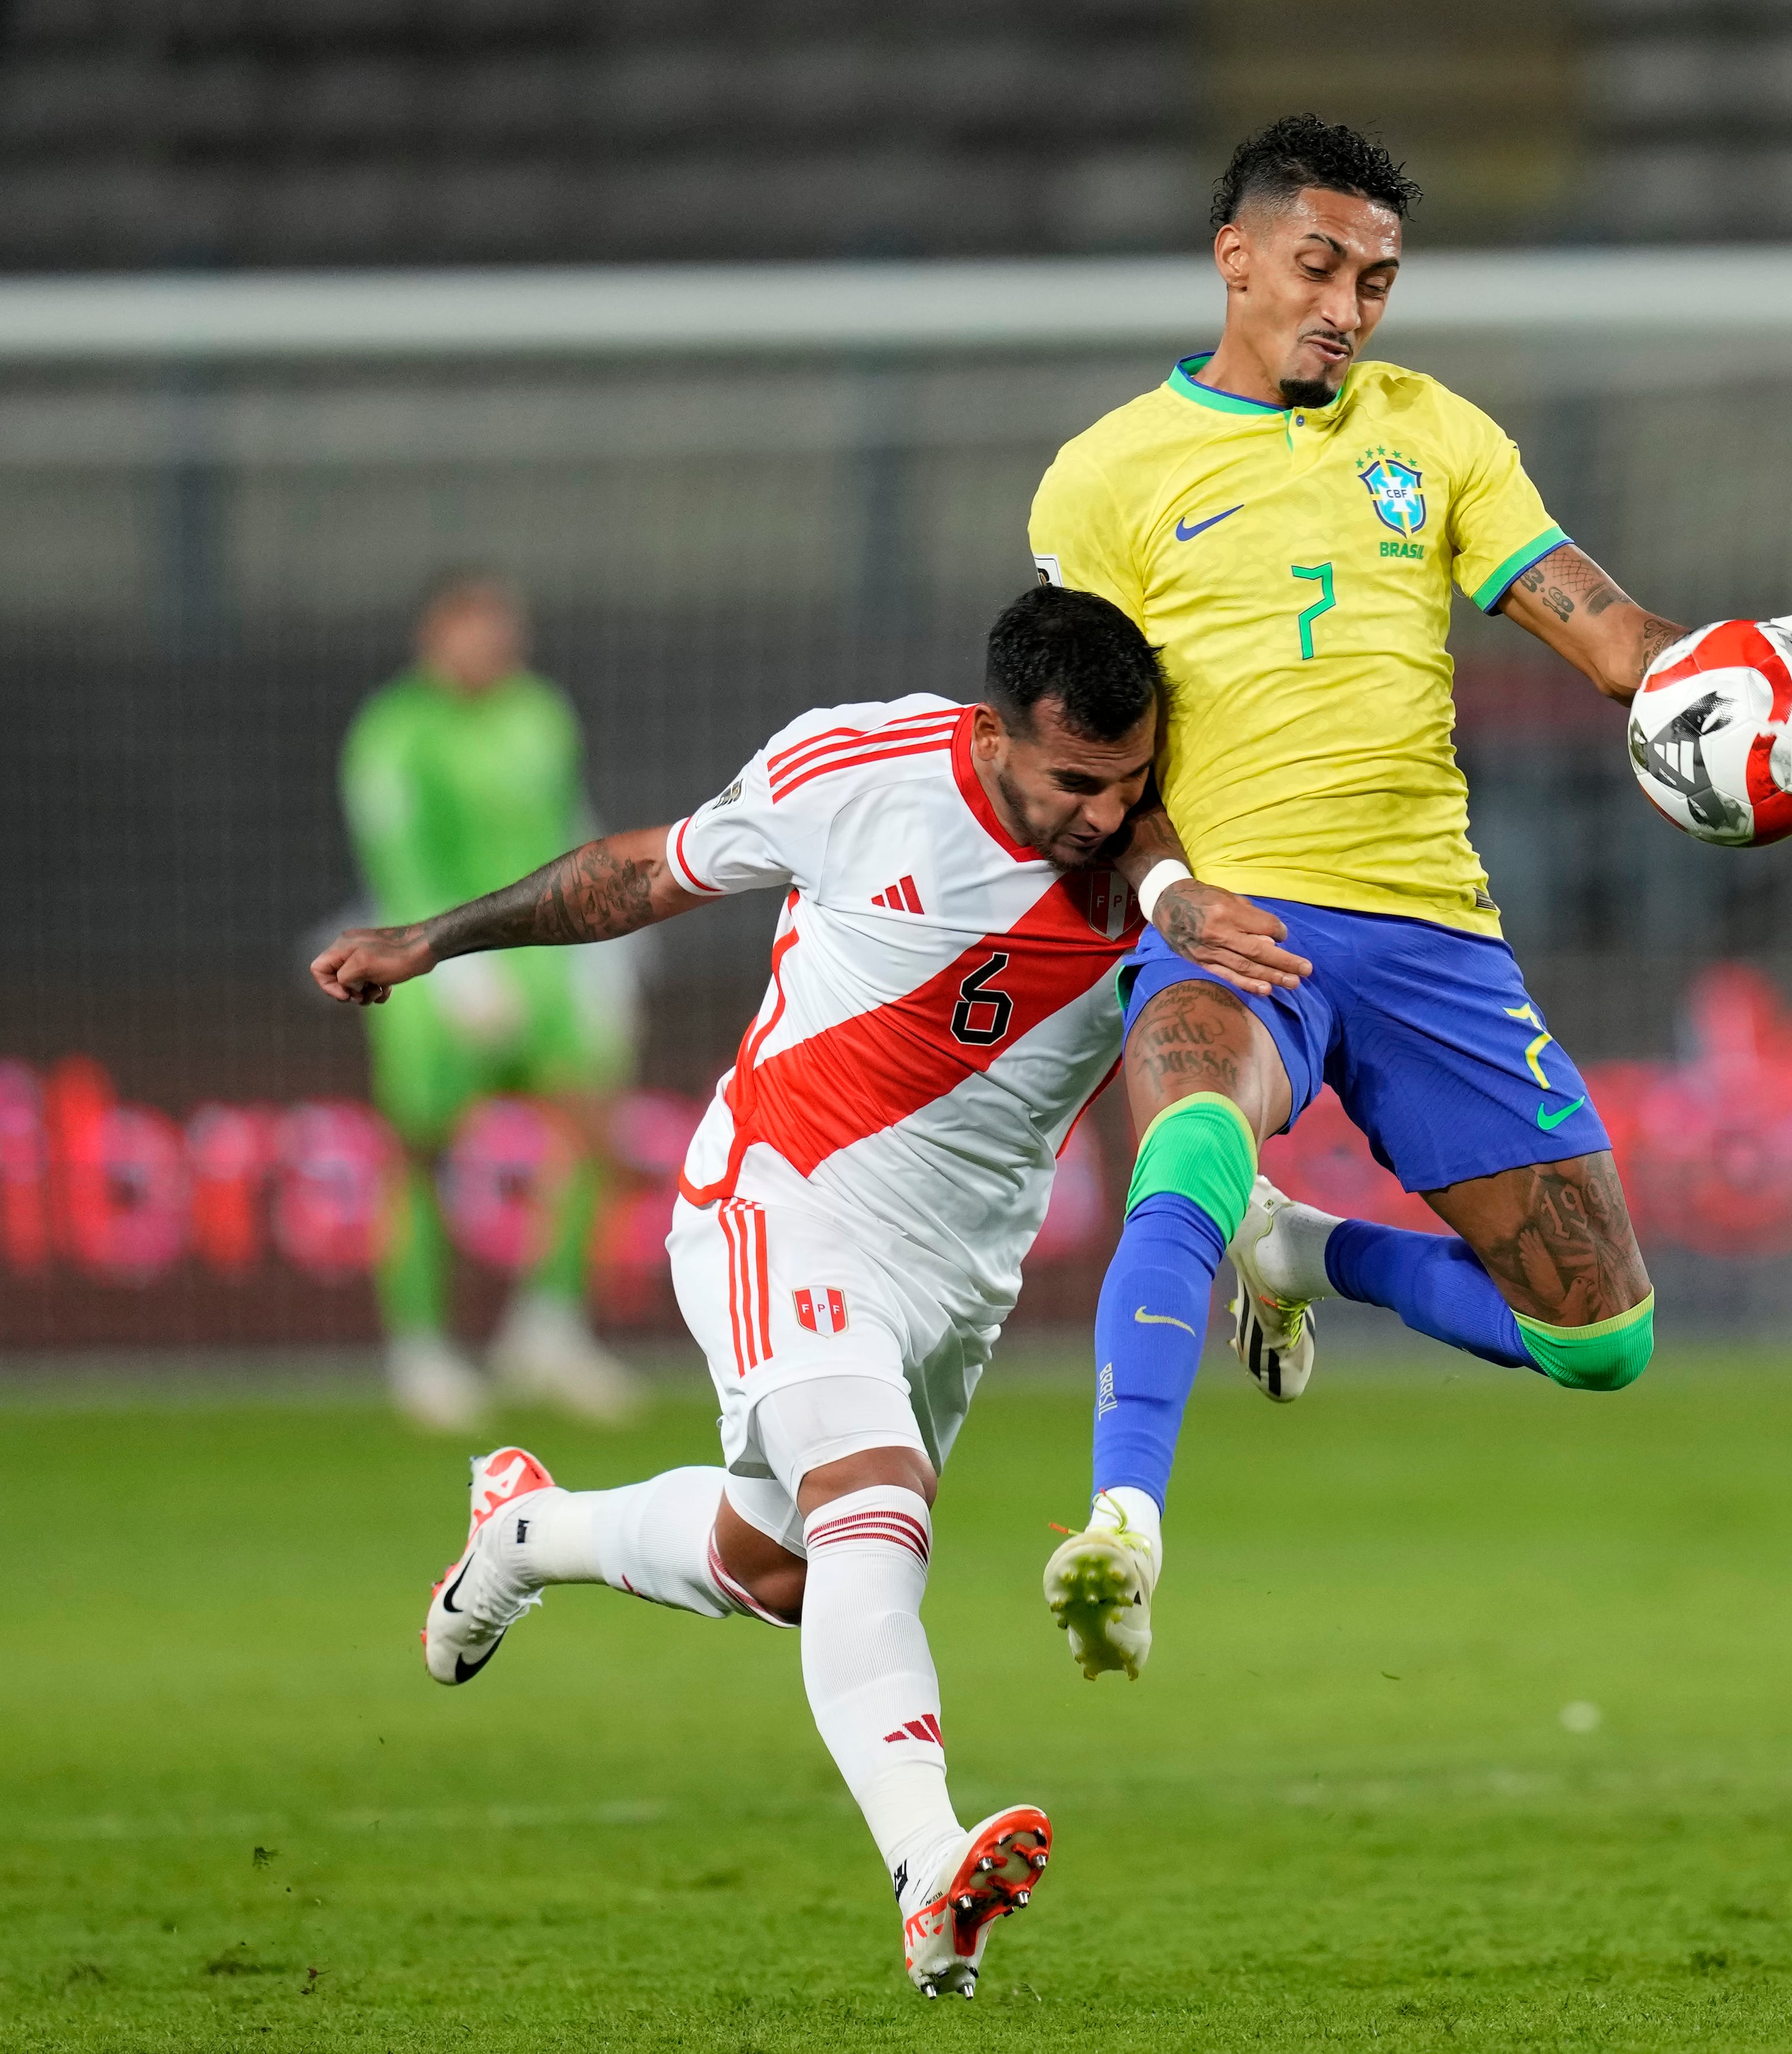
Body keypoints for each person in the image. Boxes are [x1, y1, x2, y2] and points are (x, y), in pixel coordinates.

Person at [1025, 114, 1792, 1683]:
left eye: (1376, 280)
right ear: (1236, 255)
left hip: (1432, 937)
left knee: (1602, 1340)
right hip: (1236, 924)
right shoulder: (1108, 475)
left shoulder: (1435, 436)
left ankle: (1305, 1252)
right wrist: (1173, 891)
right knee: (1189, 1129)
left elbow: (1621, 648)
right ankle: (1124, 1522)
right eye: (1317, 266)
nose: (1345, 304)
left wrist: (1788, 642)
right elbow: (1083, 759)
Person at [308, 586, 1295, 1999]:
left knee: (776, 1564)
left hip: (960, 1268)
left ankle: (524, 1530)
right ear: (996, 732)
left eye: (1128, 783)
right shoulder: (861, 773)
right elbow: (636, 873)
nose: (1103, 812)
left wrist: (1245, 1224)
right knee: (877, 1502)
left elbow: (1200, 1058)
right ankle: (928, 1868)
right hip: (787, 1195)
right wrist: (434, 941)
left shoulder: (1170, 849)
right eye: (1075, 782)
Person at [339, 573, 640, 1431]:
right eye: (471, 630)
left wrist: (607, 953)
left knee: (593, 1129)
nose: (490, 646)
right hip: (435, 968)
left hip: (544, 965)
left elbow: (568, 826)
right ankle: (420, 1349)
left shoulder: (540, 713)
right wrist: (451, 965)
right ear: (433, 635)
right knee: (420, 1152)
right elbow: (394, 851)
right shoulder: (396, 731)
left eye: (502, 629)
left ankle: (548, 1325)